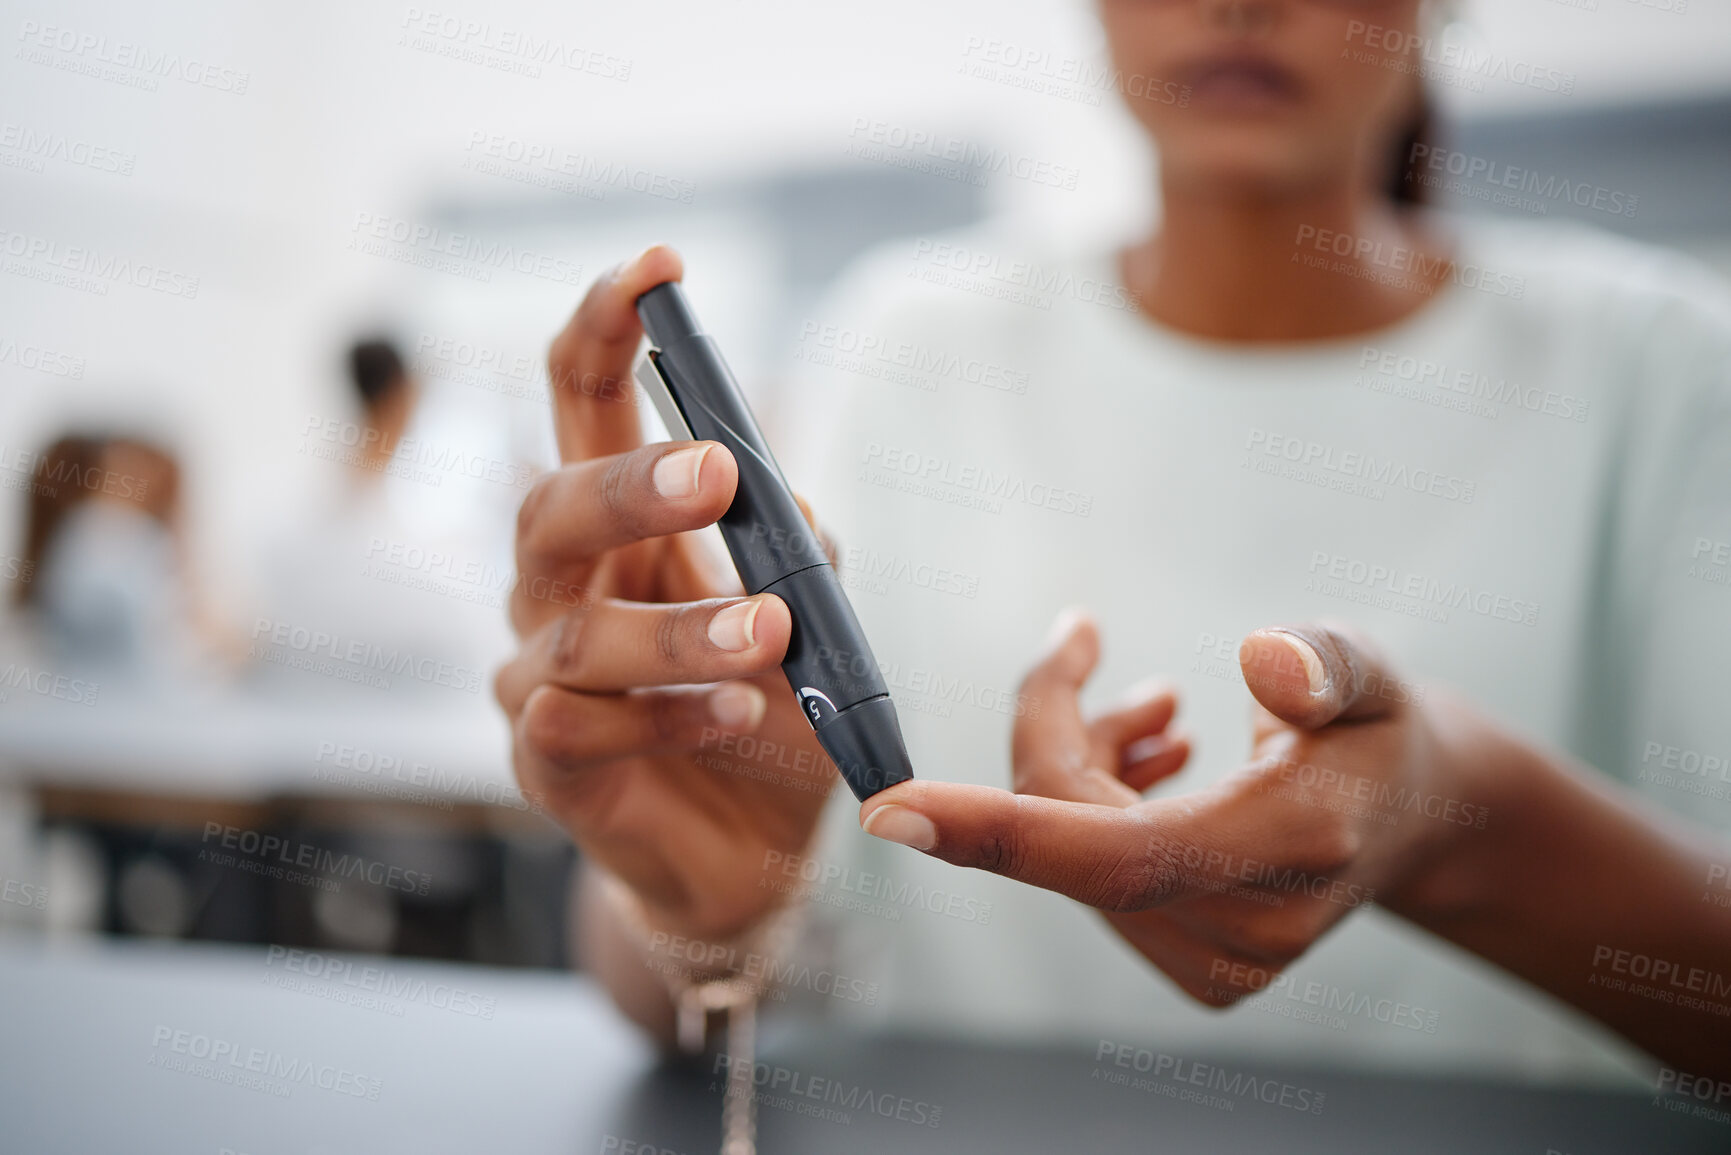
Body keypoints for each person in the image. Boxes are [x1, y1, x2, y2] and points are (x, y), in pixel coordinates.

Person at [494, 0, 1731, 1083]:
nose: (1237, 5)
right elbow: (697, 986)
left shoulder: (1659, 369)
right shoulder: (910, 345)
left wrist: (1467, 822)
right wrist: (697, 912)